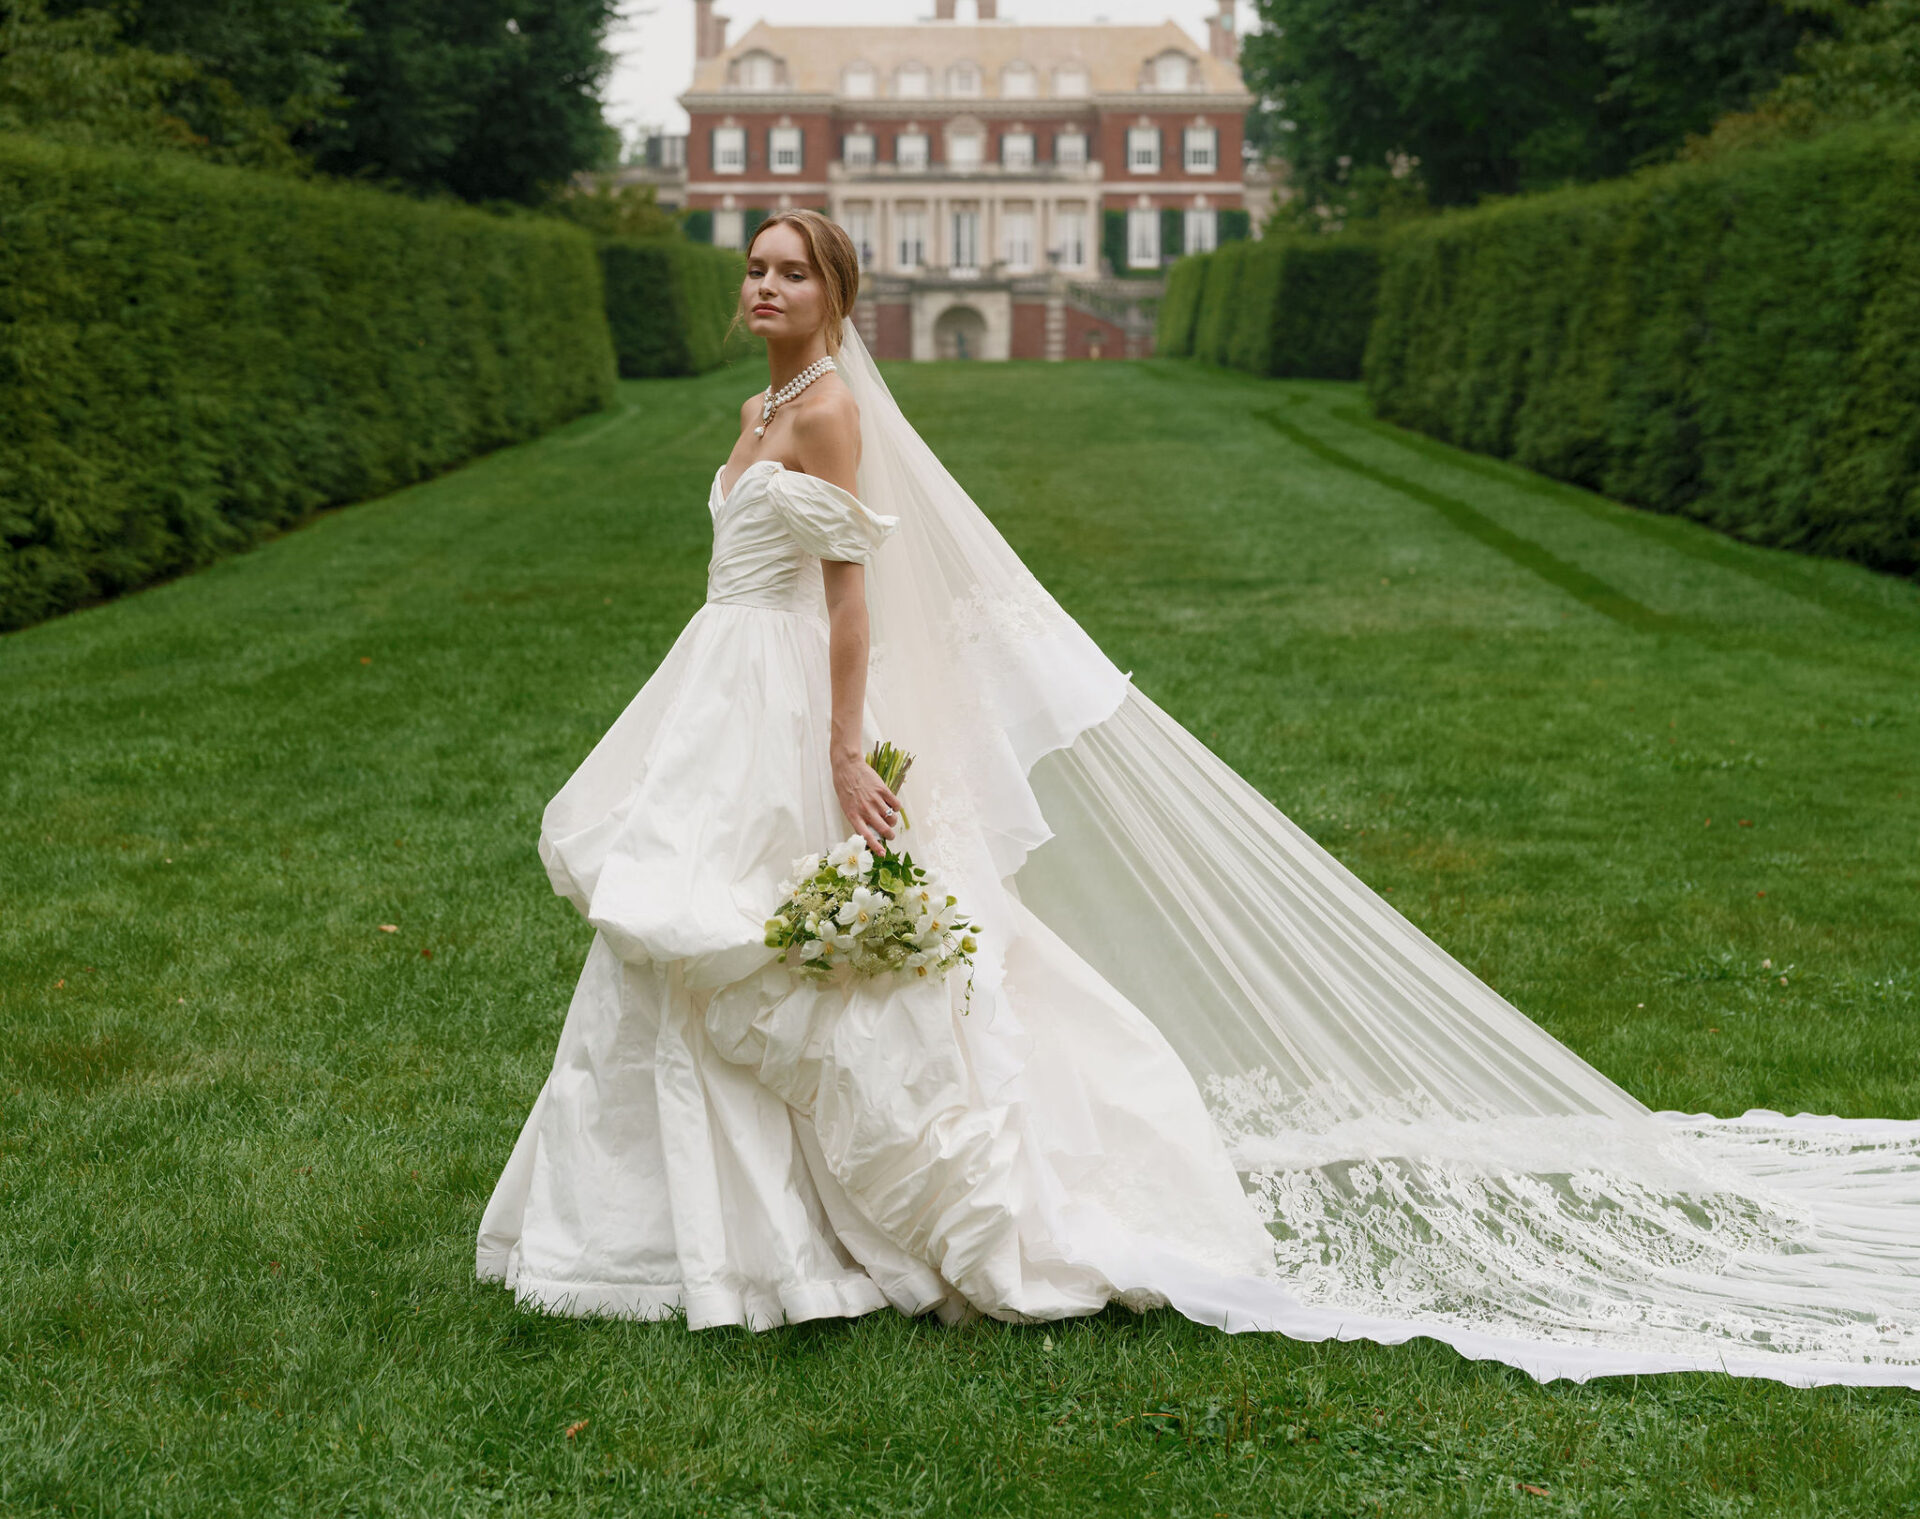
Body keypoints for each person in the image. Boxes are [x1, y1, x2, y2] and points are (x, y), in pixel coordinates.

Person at [481, 212, 1920, 1386]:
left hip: (795, 693)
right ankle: (683, 1231)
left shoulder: (835, 413)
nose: (764, 286)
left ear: (837, 296)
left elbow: (852, 599)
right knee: (690, 927)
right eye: (755, 267)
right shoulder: (759, 407)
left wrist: (848, 752)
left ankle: (837, 1218)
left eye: (792, 272)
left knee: (772, 940)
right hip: (722, 689)